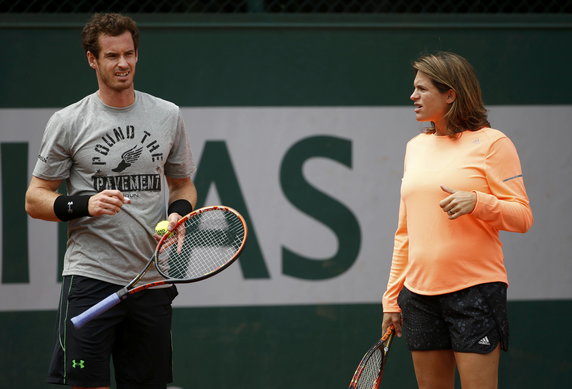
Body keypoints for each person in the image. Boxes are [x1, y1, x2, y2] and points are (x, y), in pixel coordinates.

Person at [25, 13, 197, 389]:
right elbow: (35, 199)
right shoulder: (69, 121)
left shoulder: (167, 115)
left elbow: (183, 185)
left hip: (151, 280)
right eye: (111, 56)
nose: (123, 64)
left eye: (129, 54)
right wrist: (85, 204)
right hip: (91, 278)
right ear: (92, 59)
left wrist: (177, 214)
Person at [381, 51, 533, 389]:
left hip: (475, 292)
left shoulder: (493, 144)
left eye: (422, 89)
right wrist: (392, 297)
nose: (413, 96)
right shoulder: (416, 147)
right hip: (418, 296)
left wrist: (478, 201)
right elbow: (404, 233)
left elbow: (522, 217)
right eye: (413, 89)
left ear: (451, 93)